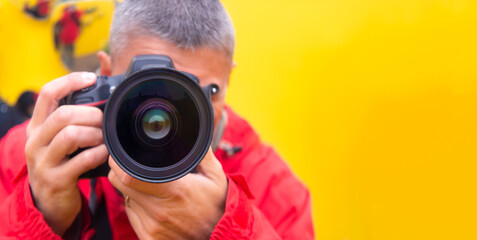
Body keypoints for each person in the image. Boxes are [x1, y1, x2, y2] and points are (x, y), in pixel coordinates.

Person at [0, 0, 314, 239]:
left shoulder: (272, 189)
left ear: (228, 80)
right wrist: (43, 213)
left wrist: (222, 226)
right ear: (107, 72)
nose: (168, 119)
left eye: (206, 93)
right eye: (148, 91)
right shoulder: (35, 156)